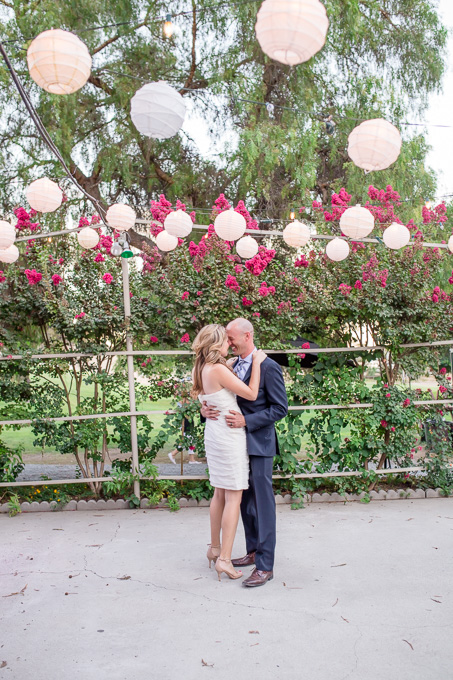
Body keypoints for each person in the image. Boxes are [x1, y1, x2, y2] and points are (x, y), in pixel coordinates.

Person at [201, 318, 288, 588]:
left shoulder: (269, 366)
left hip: (258, 445)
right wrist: (204, 411)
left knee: (262, 505)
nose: (228, 342)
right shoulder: (228, 365)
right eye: (226, 338)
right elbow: (219, 397)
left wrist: (247, 422)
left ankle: (265, 565)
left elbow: (280, 408)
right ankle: (252, 551)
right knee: (245, 504)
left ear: (247, 335)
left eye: (231, 337)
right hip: (233, 443)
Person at [191, 324, 266, 581]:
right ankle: (224, 559)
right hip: (228, 436)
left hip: (214, 433)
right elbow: (252, 393)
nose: (229, 345)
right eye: (226, 341)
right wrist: (256, 361)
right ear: (217, 345)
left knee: (219, 493)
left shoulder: (202, 368)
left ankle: (214, 548)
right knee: (233, 497)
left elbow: (212, 397)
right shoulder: (220, 369)